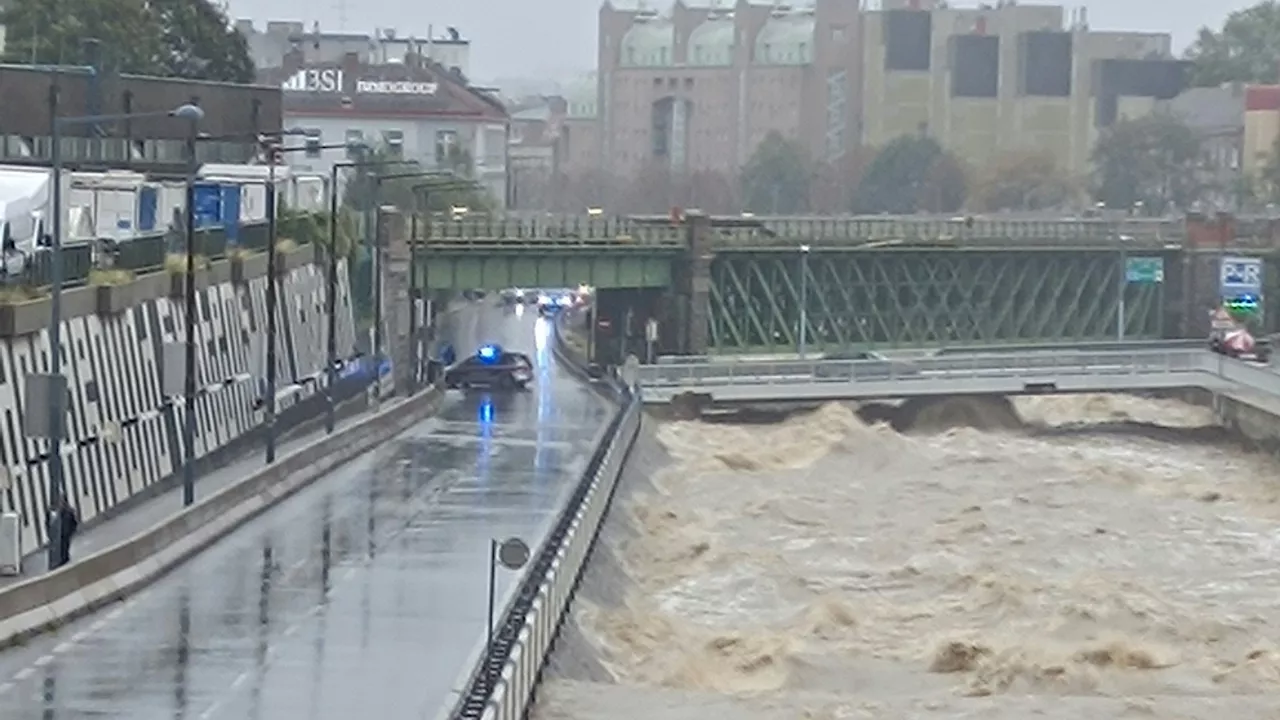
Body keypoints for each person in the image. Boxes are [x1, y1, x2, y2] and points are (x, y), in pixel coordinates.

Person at [47, 498, 79, 569]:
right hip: (58, 533)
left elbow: (74, 521)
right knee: (59, 546)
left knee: (65, 545)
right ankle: (60, 560)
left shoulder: (68, 511)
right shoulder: (53, 513)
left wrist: (72, 530)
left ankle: (64, 558)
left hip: (66, 533)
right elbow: (48, 523)